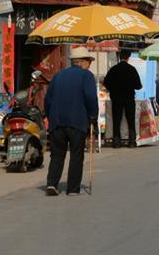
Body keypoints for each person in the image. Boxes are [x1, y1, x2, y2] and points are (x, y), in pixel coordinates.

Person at [43, 47, 99, 196]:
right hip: (77, 120)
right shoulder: (86, 76)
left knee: (57, 154)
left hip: (57, 121)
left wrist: (50, 116)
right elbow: (91, 98)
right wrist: (93, 116)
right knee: (76, 154)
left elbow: (48, 100)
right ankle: (73, 188)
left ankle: (52, 184)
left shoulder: (58, 76)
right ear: (83, 62)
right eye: (89, 61)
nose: (90, 65)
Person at [103, 49, 142, 148]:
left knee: (116, 119)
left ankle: (116, 142)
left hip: (116, 98)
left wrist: (114, 88)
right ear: (128, 57)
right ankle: (132, 141)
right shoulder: (132, 69)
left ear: (119, 57)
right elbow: (138, 85)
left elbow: (106, 83)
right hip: (129, 98)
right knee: (130, 119)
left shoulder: (113, 69)